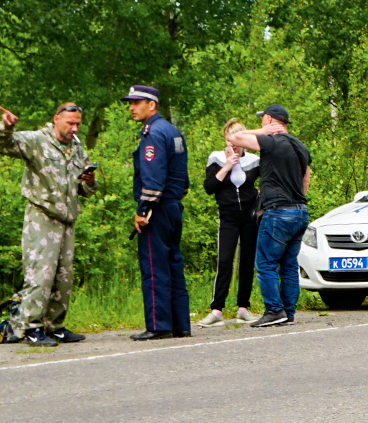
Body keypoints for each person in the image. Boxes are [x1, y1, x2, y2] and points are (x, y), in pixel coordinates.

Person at [0, 102, 96, 346]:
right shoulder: (37, 140)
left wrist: (89, 181)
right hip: (42, 217)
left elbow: (85, 189)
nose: (74, 128)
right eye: (70, 123)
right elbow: (3, 145)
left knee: (63, 276)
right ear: (56, 119)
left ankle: (54, 325)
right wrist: (5, 127)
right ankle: (30, 327)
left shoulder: (77, 148)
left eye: (78, 123)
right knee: (40, 273)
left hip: (67, 218)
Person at [228, 104, 310, 328]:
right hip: (300, 211)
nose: (260, 123)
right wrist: (295, 203)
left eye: (262, 119)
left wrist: (262, 132)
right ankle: (288, 312)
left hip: (277, 211)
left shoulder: (270, 141)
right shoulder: (300, 147)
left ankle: (274, 310)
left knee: (265, 264)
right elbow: (306, 181)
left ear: (269, 119)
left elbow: (234, 137)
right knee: (289, 265)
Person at [125, 85, 190, 340]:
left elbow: (152, 177)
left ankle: (158, 325)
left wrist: (143, 209)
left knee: (154, 266)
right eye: (130, 103)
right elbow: (183, 179)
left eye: (136, 102)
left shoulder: (152, 133)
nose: (131, 107)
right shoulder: (173, 131)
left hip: (157, 209)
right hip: (173, 206)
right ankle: (180, 325)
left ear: (151, 105)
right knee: (174, 264)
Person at [196, 120, 260, 326]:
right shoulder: (215, 157)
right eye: (230, 139)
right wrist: (227, 165)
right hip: (228, 217)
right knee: (224, 261)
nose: (234, 144)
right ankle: (216, 310)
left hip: (249, 216)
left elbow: (266, 182)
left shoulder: (254, 160)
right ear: (225, 139)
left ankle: (243, 308)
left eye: (238, 139)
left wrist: (260, 196)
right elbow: (209, 187)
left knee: (247, 262)